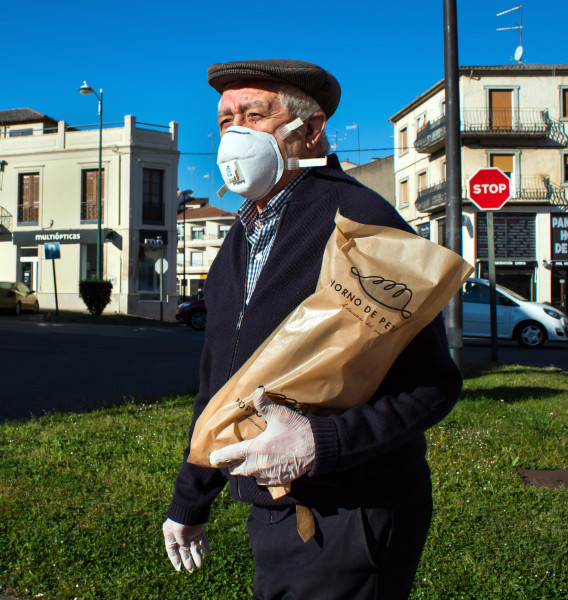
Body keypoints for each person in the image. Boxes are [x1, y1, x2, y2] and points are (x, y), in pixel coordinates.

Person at [162, 59, 463, 600]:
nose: (234, 134)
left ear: (309, 130)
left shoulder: (362, 223)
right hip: (276, 510)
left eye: (254, 114)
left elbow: (434, 384)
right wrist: (191, 497)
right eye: (226, 120)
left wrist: (319, 443)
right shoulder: (240, 237)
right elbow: (219, 382)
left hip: (352, 512)